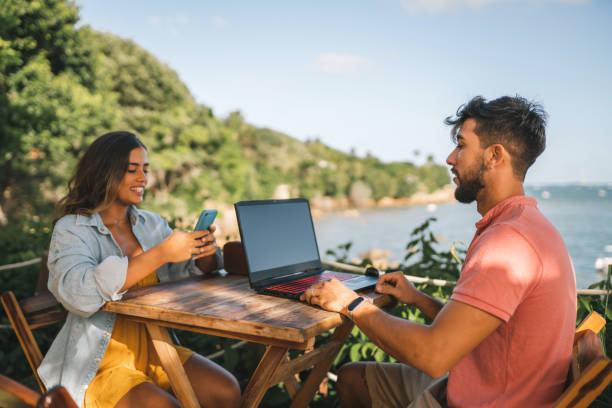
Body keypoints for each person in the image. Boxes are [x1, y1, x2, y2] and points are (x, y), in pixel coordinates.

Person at [302, 96, 577, 407]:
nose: (450, 158)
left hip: (483, 400)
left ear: (495, 155)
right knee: (355, 379)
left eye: (461, 145)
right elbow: (481, 330)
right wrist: (419, 299)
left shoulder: (508, 243)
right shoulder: (527, 226)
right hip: (489, 384)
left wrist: (350, 303)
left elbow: (433, 356)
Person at [38, 131, 241, 408]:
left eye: (145, 169)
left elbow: (189, 271)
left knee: (226, 391)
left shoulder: (151, 224)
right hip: (100, 365)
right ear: (105, 173)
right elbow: (77, 294)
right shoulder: (73, 229)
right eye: (132, 170)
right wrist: (159, 254)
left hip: (157, 351)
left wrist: (203, 254)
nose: (143, 178)